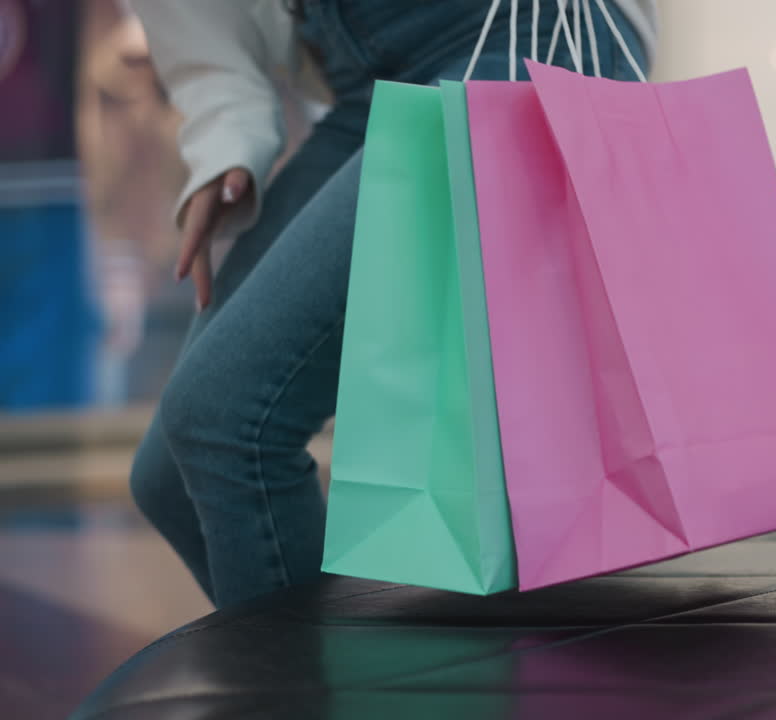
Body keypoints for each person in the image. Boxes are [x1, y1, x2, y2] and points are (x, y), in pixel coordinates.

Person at [129, 0, 656, 610]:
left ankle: (321, 695)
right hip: (359, 79)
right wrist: (224, 140)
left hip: (515, 30)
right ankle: (349, 680)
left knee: (224, 420)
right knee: (168, 479)